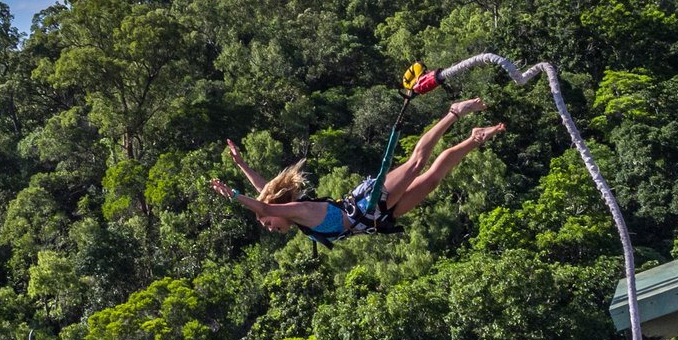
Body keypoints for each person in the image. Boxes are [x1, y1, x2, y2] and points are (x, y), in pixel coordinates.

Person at [210, 97, 504, 244]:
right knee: (432, 179)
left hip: (369, 202)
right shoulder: (296, 220)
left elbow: (263, 203)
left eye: (266, 222)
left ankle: (454, 112)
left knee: (416, 164)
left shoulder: (298, 210)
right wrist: (242, 165)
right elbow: (266, 191)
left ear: (277, 209)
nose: (268, 226)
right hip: (376, 218)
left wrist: (235, 195)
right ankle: (474, 138)